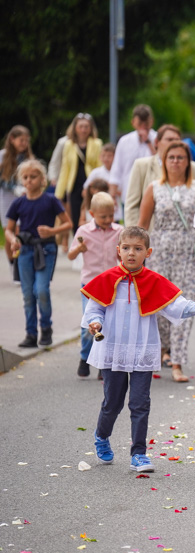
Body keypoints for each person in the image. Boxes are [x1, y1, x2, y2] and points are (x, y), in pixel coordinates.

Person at [83, 227, 195, 472]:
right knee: (113, 402)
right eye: (127, 248)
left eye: (138, 248)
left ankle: (139, 453)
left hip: (142, 350)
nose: (132, 253)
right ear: (118, 251)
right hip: (114, 350)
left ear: (148, 252)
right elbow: (94, 309)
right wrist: (94, 322)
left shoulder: (154, 281)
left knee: (140, 403)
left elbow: (176, 306)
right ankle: (101, 435)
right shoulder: (106, 279)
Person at [138, 141, 195, 382]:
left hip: (188, 252)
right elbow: (142, 226)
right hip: (160, 252)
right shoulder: (154, 188)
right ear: (164, 161)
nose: (176, 162)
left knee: (185, 306)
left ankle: (177, 363)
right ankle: (162, 352)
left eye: (180, 158)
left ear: (188, 162)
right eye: (171, 157)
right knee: (160, 306)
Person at [5, 159, 72, 347]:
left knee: (41, 290)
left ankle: (46, 327)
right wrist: (13, 240)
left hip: (46, 249)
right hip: (25, 250)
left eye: (33, 177)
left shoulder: (50, 200)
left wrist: (52, 232)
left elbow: (68, 223)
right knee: (27, 294)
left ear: (42, 179)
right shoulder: (18, 203)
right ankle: (31, 334)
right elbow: (9, 229)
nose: (29, 181)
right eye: (25, 177)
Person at [67, 191, 122, 378]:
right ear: (92, 214)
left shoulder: (119, 231)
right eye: (103, 216)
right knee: (90, 324)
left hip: (111, 286)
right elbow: (70, 255)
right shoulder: (83, 231)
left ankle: (101, 363)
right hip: (90, 286)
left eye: (111, 215)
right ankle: (84, 357)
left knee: (107, 325)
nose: (108, 219)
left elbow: (121, 257)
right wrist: (79, 248)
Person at [124, 125, 195, 229]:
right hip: (153, 234)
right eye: (169, 139)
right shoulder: (142, 166)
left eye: (177, 140)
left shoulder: (194, 169)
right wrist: (134, 236)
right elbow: (132, 205)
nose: (173, 143)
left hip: (189, 235)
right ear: (157, 142)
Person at [55, 113, 103, 235]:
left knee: (93, 214)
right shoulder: (69, 144)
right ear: (75, 128)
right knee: (76, 218)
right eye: (81, 126)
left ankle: (94, 242)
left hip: (92, 184)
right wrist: (59, 192)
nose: (83, 130)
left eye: (86, 126)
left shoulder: (97, 143)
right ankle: (79, 243)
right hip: (74, 185)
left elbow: (99, 165)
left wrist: (97, 184)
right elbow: (65, 168)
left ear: (91, 128)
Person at [109, 105, 157, 214]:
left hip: (154, 194)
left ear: (152, 122)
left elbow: (161, 161)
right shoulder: (124, 141)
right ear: (133, 123)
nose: (143, 128)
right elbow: (117, 169)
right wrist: (112, 195)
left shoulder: (158, 138)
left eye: (146, 124)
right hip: (129, 193)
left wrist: (148, 142)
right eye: (140, 124)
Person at [1, 125, 35, 268]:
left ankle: (21, 265)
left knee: (20, 232)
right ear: (12, 139)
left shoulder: (28, 158)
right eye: (21, 140)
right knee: (9, 233)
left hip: (24, 199)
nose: (24, 144)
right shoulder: (2, 155)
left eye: (26, 140)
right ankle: (12, 264)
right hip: (7, 198)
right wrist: (15, 188)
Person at [83, 144, 117, 221]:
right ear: (100, 157)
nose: (106, 158)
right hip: (98, 210)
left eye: (109, 156)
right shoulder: (95, 173)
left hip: (115, 211)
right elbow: (85, 191)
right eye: (103, 155)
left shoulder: (119, 173)